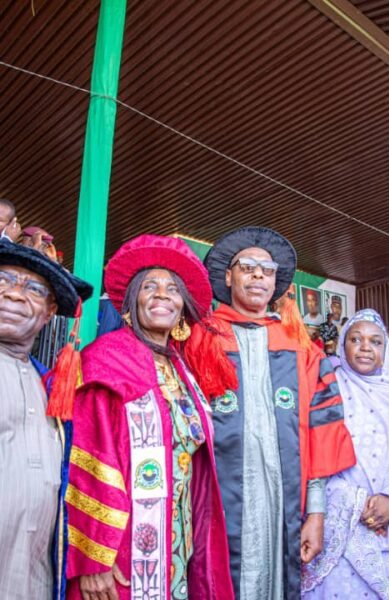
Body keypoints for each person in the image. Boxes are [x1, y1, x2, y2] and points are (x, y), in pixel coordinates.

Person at [185, 226, 356, 600]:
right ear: (228, 277)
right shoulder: (201, 338)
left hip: (285, 503)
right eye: (247, 267)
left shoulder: (300, 346)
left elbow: (318, 430)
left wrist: (316, 513)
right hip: (215, 504)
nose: (258, 275)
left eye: (267, 269)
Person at [65, 235, 233, 600]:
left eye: (173, 289)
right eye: (150, 287)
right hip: (123, 547)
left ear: (182, 307)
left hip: (177, 540)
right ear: (131, 303)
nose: (162, 295)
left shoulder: (181, 368)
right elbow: (86, 459)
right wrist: (94, 557)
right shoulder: (105, 359)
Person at [302, 309, 389, 599]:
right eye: (355, 339)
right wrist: (357, 503)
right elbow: (312, 454)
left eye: (375, 342)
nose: (365, 348)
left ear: (385, 350)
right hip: (341, 527)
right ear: (343, 346)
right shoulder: (325, 391)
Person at [0, 239, 92, 600]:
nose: (15, 295)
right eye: (3, 280)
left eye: (34, 289)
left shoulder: (50, 386)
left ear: (50, 310)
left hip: (35, 577)